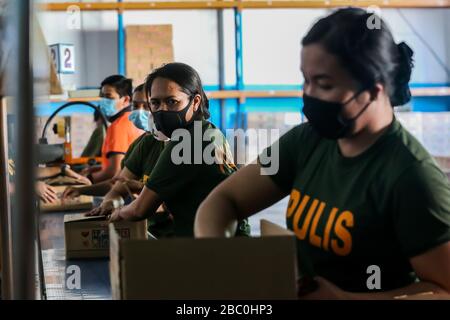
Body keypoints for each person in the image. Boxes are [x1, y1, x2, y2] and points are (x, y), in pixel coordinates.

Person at [194, 8, 450, 299]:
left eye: (325, 84)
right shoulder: (309, 140)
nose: (310, 94)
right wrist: (218, 259)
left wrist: (344, 299)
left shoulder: (411, 176)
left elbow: (443, 289)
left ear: (374, 90)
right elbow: (223, 201)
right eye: (306, 80)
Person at [105, 62, 250, 237]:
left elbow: (140, 210)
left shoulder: (187, 142)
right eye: (155, 103)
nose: (162, 110)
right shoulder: (208, 131)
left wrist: (118, 213)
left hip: (216, 249)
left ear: (195, 102)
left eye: (172, 102)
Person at [64, 84, 172, 237]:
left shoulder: (192, 147)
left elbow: (170, 203)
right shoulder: (146, 143)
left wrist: (141, 192)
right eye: (136, 105)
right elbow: (118, 185)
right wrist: (111, 202)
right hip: (148, 232)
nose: (141, 111)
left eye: (148, 105)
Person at [82, 75, 144, 183]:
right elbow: (123, 163)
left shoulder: (118, 126)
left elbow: (114, 171)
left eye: (109, 97)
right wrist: (96, 169)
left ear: (125, 99)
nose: (104, 101)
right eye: (102, 97)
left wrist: (86, 180)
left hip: (120, 191)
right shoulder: (134, 121)